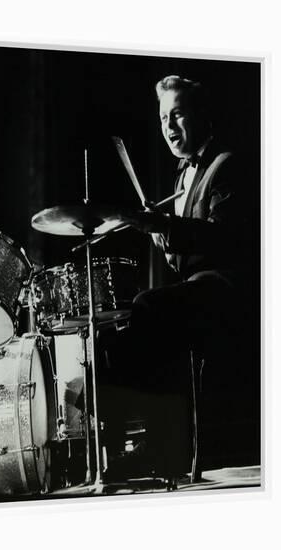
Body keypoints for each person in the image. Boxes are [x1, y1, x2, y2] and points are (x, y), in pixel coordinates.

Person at [112, 75, 260, 478]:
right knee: (139, 310)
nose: (169, 128)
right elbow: (183, 255)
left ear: (201, 116)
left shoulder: (227, 164)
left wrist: (163, 226)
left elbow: (225, 239)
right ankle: (155, 436)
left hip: (232, 287)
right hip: (200, 286)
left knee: (150, 306)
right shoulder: (181, 176)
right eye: (163, 119)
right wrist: (161, 236)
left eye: (177, 115)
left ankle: (163, 445)